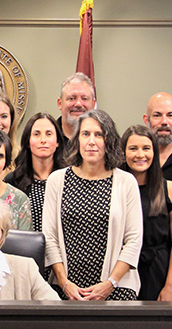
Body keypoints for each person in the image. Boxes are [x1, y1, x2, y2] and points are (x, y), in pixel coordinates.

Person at [43, 109, 142, 301]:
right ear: (77, 139)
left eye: (99, 135)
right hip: (65, 289)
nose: (91, 141)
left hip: (116, 287)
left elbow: (134, 240)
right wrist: (64, 283)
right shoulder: (57, 180)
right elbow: (50, 237)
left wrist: (110, 284)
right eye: (85, 134)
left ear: (109, 140)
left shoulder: (126, 182)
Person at [119, 125, 172, 301]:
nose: (140, 154)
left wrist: (171, 284)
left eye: (146, 148)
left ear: (154, 152)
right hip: (122, 271)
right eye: (133, 148)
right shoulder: (115, 190)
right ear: (123, 153)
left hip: (159, 272)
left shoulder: (170, 189)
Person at [5, 112, 67, 232]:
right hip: (24, 248)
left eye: (49, 134)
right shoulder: (13, 181)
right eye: (36, 134)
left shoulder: (68, 180)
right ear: (28, 141)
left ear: (58, 141)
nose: (43, 140)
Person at [56, 73, 96, 147]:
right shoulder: (48, 139)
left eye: (84, 99)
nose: (78, 104)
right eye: (72, 98)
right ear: (60, 103)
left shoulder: (105, 140)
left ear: (93, 104)